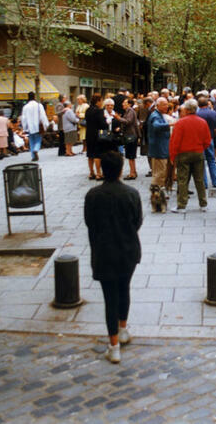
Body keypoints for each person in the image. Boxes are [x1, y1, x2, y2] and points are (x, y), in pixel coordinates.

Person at [84, 151, 142, 364]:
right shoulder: (131, 194)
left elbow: (89, 222)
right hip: (128, 250)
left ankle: (114, 345)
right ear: (120, 169)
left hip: (104, 251)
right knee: (124, 288)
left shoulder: (92, 195)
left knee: (110, 298)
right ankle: (123, 328)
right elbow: (137, 222)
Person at [168, 99, 210, 213]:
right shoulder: (202, 122)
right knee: (199, 179)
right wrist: (201, 148)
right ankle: (203, 204)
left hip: (183, 153)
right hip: (198, 152)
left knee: (183, 180)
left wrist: (173, 156)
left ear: (186, 110)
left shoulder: (180, 123)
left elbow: (175, 141)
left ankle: (182, 205)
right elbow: (207, 140)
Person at [147, 97, 171, 191]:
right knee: (159, 172)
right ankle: (156, 191)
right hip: (158, 148)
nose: (167, 106)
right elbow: (156, 126)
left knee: (161, 171)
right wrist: (170, 125)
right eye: (164, 104)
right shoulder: (155, 116)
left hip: (161, 147)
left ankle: (159, 189)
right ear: (158, 105)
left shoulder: (159, 114)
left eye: (167, 104)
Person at [196, 97, 216, 189]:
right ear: (207, 104)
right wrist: (213, 135)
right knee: (211, 160)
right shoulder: (213, 113)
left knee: (201, 162)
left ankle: (204, 183)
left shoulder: (197, 114)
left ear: (198, 105)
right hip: (210, 139)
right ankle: (215, 181)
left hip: (199, 140)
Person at [115, 98, 140, 179]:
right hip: (130, 135)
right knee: (131, 155)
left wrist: (118, 118)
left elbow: (128, 121)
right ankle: (134, 172)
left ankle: (132, 173)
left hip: (131, 136)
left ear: (129, 104)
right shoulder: (129, 111)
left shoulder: (130, 111)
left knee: (130, 155)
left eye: (125, 103)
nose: (123, 104)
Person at [21, 91, 49, 161]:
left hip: (30, 127)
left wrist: (24, 127)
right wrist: (46, 124)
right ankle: (36, 149)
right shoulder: (39, 105)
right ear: (34, 97)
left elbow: (23, 118)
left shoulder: (25, 107)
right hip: (38, 127)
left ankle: (33, 156)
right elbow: (43, 116)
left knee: (31, 141)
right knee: (38, 140)